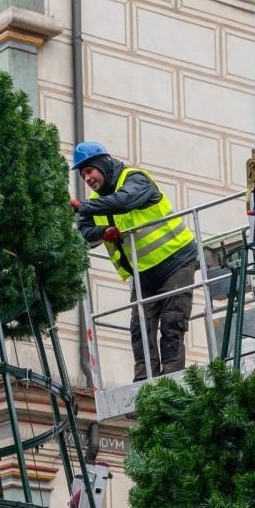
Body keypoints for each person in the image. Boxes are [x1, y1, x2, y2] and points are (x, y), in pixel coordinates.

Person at [71, 141, 198, 382]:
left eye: (89, 171)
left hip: (176, 260)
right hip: (143, 274)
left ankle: (171, 378)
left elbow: (125, 201)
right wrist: (103, 233)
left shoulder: (135, 179)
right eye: (83, 174)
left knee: (172, 320)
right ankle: (144, 382)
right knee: (140, 328)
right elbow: (84, 232)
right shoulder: (97, 201)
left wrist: (84, 206)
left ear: (103, 164)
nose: (87, 178)